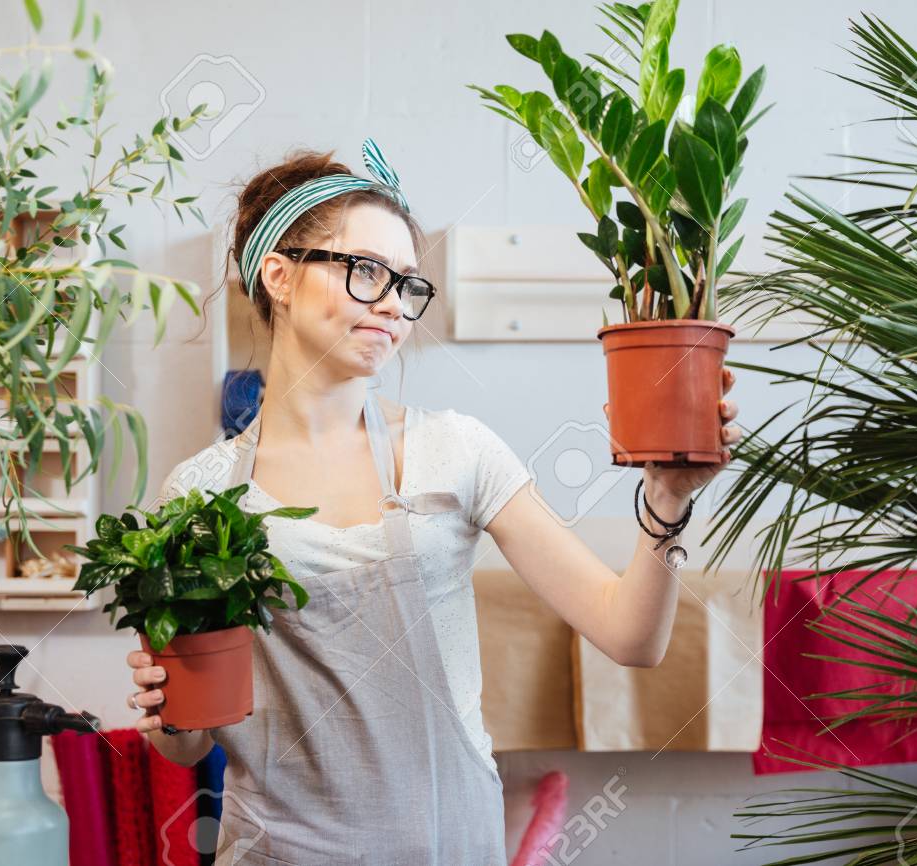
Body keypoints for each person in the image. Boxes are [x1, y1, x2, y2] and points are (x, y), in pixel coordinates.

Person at [124, 139, 741, 865]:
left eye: (407, 284)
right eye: (365, 271)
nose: (393, 304)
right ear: (279, 275)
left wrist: (666, 500)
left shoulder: (456, 450)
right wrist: (166, 710)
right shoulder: (203, 492)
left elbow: (632, 638)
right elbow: (187, 745)